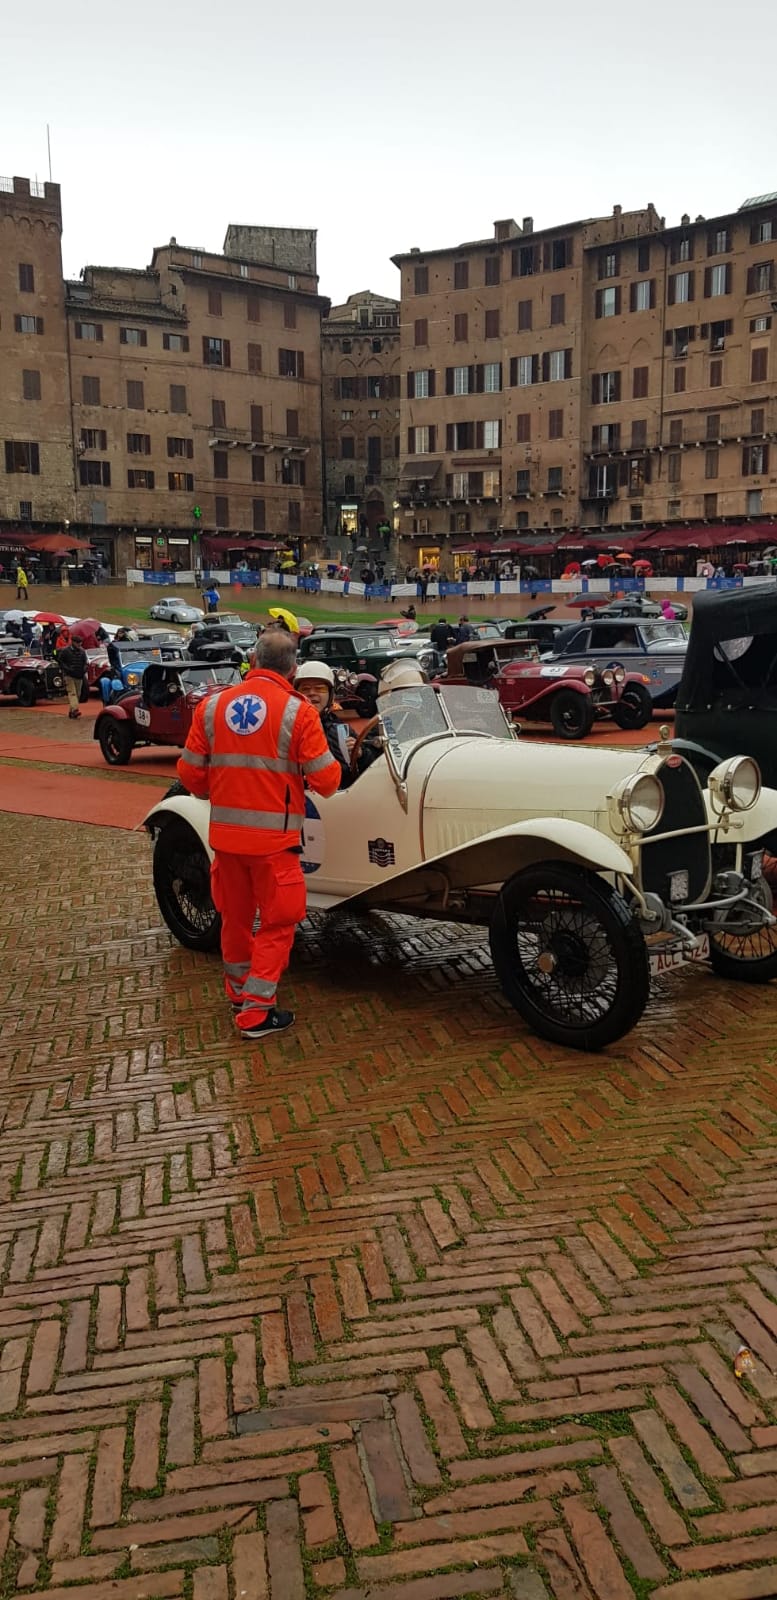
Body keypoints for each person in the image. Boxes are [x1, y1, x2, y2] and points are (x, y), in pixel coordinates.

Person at [176, 629, 342, 1039]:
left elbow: (191, 777)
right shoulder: (298, 712)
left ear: (252, 660)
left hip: (226, 840)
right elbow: (327, 781)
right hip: (273, 844)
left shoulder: (212, 708)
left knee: (234, 917)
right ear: (293, 668)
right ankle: (255, 1012)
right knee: (279, 922)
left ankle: (238, 991)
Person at [295, 661, 380, 788]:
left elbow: (367, 771)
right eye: (305, 689)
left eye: (320, 688)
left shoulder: (340, 729)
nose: (312, 693)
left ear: (330, 695)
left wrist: (360, 754)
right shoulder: (287, 728)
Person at [57, 635, 88, 718]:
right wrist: (67, 669)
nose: (79, 644)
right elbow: (60, 661)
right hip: (69, 676)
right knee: (72, 693)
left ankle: (72, 712)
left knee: (77, 694)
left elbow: (85, 662)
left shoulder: (82, 651)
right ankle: (75, 710)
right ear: (73, 642)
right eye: (78, 643)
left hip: (79, 675)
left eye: (80, 643)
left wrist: (84, 669)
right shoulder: (65, 651)